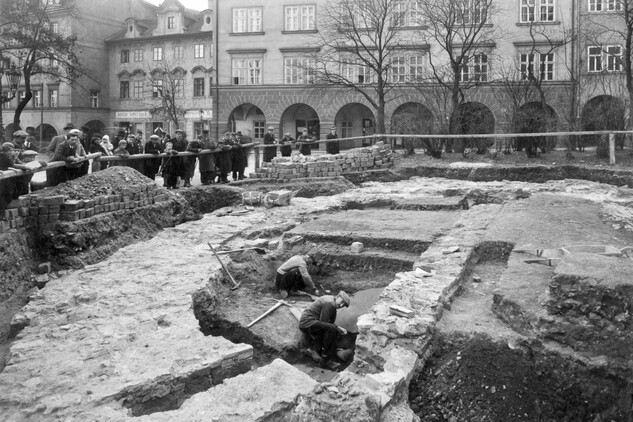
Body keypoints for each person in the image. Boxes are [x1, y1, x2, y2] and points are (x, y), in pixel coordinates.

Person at [299, 291, 351, 367]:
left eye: (344, 305)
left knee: (333, 329)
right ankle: (325, 357)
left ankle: (322, 350)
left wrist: (338, 328)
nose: (341, 305)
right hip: (307, 323)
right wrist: (336, 328)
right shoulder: (329, 303)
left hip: (313, 322)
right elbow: (324, 322)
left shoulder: (332, 303)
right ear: (337, 296)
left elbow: (329, 322)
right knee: (331, 329)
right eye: (342, 301)